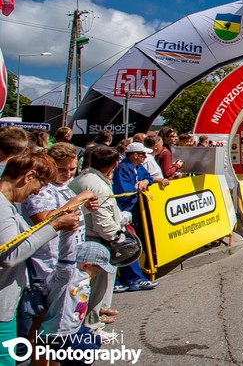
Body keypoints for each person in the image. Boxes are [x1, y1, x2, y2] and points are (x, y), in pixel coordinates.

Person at [1, 153, 81, 353]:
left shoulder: (8, 205)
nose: (38, 192)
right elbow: (11, 254)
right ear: (29, 176)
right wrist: (55, 225)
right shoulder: (2, 207)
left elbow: (25, 236)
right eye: (42, 184)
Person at [18, 144, 99, 339]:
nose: (68, 174)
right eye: (62, 169)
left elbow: (70, 214)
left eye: (72, 169)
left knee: (59, 324)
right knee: (41, 324)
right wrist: (80, 197)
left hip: (68, 262)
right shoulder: (41, 190)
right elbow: (45, 220)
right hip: (46, 267)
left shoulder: (65, 188)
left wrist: (86, 207)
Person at [69, 146, 129, 331]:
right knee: (92, 288)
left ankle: (93, 318)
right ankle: (91, 326)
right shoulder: (97, 185)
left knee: (90, 287)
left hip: (85, 238)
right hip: (94, 241)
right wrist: (118, 238)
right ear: (114, 164)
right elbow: (102, 221)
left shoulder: (88, 178)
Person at [38, 241, 113, 362]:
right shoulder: (68, 278)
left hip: (74, 328)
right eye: (97, 270)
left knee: (95, 340)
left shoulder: (83, 278)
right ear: (86, 266)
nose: (96, 274)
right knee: (88, 353)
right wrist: (69, 230)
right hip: (59, 334)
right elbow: (65, 259)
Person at [111, 143, 156, 293]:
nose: (145, 157)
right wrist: (137, 190)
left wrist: (145, 181)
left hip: (134, 211)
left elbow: (147, 176)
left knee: (131, 242)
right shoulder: (122, 169)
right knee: (125, 244)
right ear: (134, 155)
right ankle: (132, 278)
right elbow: (124, 191)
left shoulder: (137, 167)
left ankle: (133, 277)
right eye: (143, 154)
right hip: (123, 211)